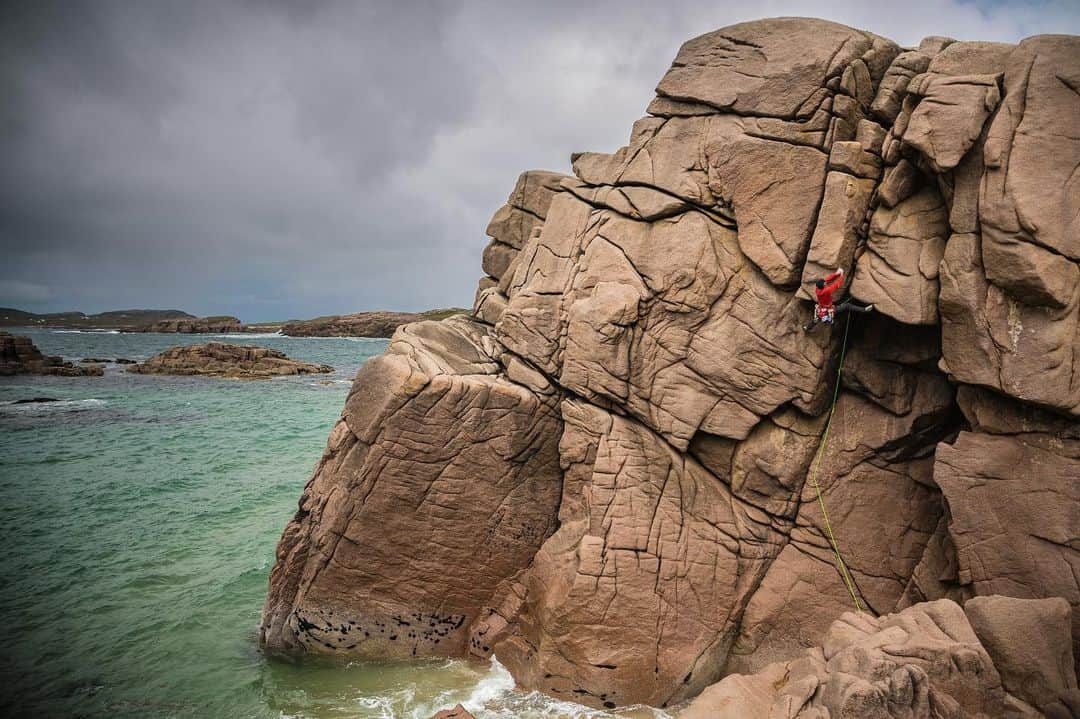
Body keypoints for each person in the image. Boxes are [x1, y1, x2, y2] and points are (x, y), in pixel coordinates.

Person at [803, 268, 874, 331]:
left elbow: (827, 279)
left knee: (818, 318)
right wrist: (841, 275)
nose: (826, 283)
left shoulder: (818, 289)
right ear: (823, 285)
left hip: (822, 308)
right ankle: (864, 310)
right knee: (847, 306)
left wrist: (836, 274)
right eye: (825, 283)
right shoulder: (827, 291)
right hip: (829, 309)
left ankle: (807, 327)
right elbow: (837, 285)